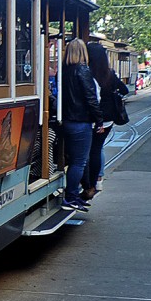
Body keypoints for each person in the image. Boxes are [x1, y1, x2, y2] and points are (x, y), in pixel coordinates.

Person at [60, 37, 103, 212]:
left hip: (67, 121)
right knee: (79, 162)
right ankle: (71, 197)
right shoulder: (83, 70)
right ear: (83, 52)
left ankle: (72, 196)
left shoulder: (64, 71)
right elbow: (91, 98)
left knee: (74, 161)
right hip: (81, 122)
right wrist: (99, 120)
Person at [81, 42, 129, 201]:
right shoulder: (109, 74)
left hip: (93, 117)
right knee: (97, 148)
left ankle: (90, 182)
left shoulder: (87, 73)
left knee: (88, 151)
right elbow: (125, 90)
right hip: (108, 119)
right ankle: (98, 180)